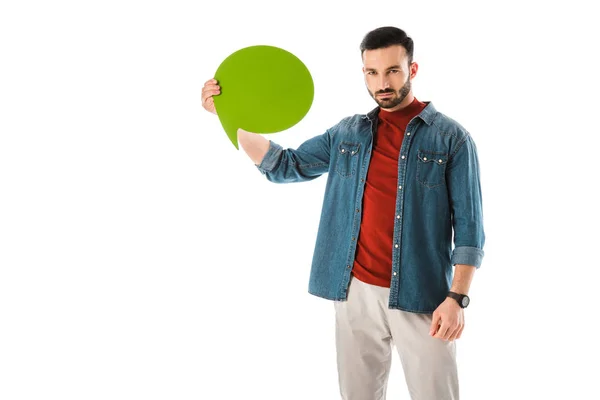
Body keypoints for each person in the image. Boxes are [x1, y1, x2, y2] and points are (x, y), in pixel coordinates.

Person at [201, 26, 485, 400]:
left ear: (412, 70)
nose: (382, 83)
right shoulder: (348, 133)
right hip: (354, 292)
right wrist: (229, 113)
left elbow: (469, 230)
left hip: (423, 296)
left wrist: (457, 299)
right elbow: (287, 165)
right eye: (372, 73)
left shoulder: (451, 138)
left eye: (392, 71)